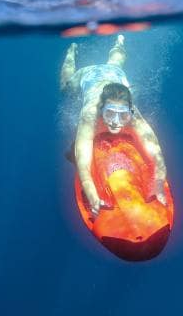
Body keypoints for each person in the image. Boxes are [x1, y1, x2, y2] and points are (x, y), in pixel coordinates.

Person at [60, 34, 167, 218]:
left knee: (116, 63)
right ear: (101, 108)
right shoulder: (90, 115)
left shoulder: (134, 117)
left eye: (122, 115)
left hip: (113, 72)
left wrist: (159, 185)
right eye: (109, 114)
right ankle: (70, 53)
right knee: (65, 89)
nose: (116, 122)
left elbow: (157, 153)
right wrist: (92, 192)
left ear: (130, 111)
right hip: (88, 75)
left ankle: (119, 43)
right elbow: (83, 162)